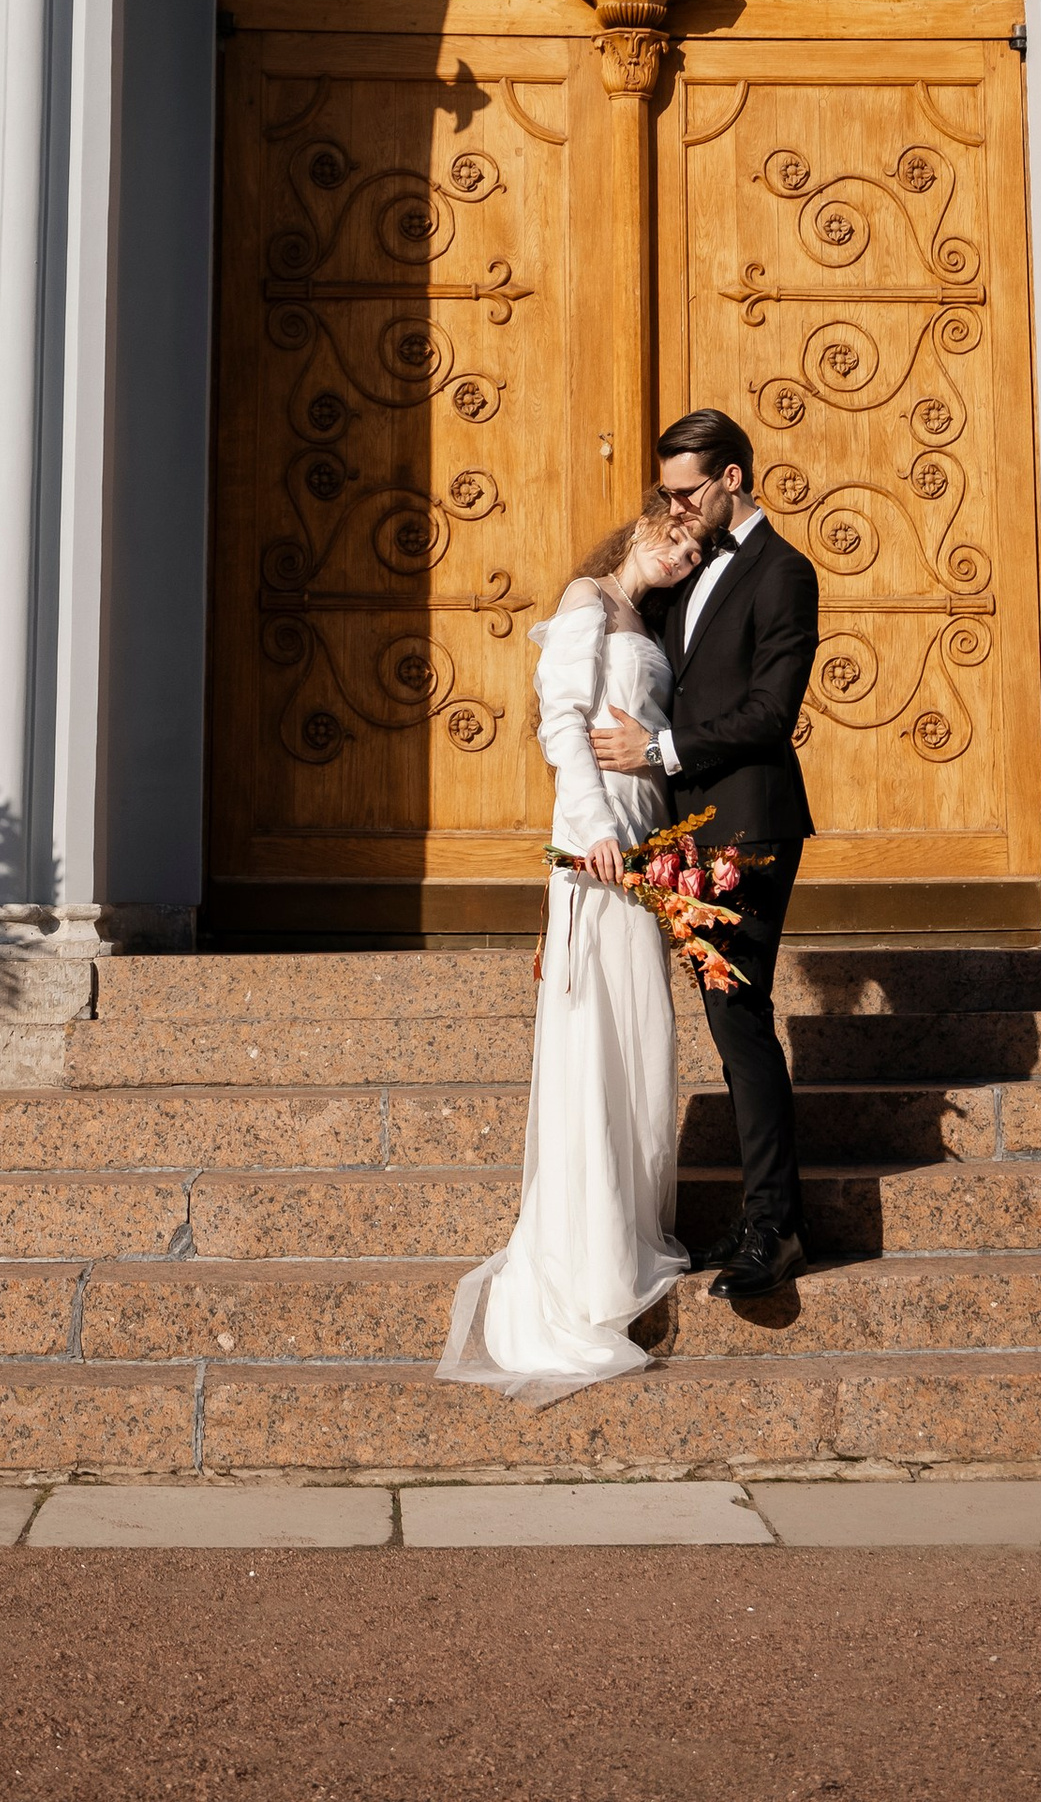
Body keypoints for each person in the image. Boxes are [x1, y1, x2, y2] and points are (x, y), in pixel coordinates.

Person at [438, 491, 706, 1399]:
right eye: (676, 536)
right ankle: (583, 1266)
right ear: (640, 522)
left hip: (648, 840)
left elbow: (649, 737)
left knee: (643, 1037)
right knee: (597, 1036)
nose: (683, 554)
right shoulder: (588, 600)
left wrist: (658, 764)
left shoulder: (649, 622)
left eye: (696, 548)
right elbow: (562, 720)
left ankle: (628, 1232)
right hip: (599, 847)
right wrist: (591, 825)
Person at [590, 406, 819, 1299]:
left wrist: (662, 754)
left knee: (737, 1016)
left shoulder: (784, 572)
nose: (673, 508)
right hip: (673, 832)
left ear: (732, 478)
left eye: (687, 491)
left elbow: (771, 710)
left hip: (749, 828)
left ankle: (776, 1228)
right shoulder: (686, 570)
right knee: (721, 1018)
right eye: (665, 492)